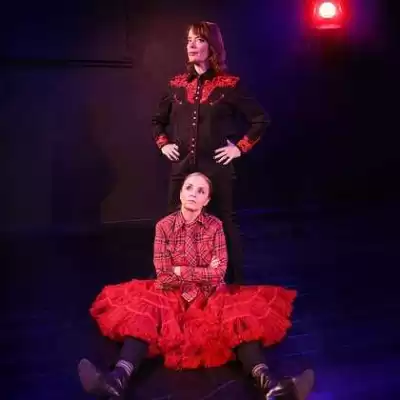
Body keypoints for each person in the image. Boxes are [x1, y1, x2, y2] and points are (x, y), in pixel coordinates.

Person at [78, 172, 314, 399]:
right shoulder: (164, 226)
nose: (193, 193)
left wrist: (180, 270)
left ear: (207, 200)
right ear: (181, 193)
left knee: (236, 315)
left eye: (200, 191)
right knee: (145, 311)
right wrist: (201, 271)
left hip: (209, 294)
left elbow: (218, 273)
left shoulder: (215, 226)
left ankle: (270, 385)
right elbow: (163, 275)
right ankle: (117, 379)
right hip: (170, 293)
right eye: (189, 188)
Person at [152, 21, 270, 284]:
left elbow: (260, 119)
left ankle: (233, 283)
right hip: (182, 168)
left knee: (223, 222)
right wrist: (164, 144)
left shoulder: (229, 85)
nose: (191, 45)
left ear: (213, 46)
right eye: (189, 40)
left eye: (199, 40)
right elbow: (157, 121)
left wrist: (239, 148)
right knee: (174, 222)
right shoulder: (176, 84)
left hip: (215, 168)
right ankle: (174, 280)